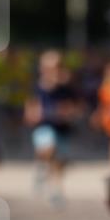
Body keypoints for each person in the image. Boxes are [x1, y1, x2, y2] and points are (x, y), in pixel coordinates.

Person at [24, 50, 81, 206]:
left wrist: (68, 113)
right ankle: (41, 167)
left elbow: (75, 106)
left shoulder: (66, 88)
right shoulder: (37, 86)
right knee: (48, 146)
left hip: (62, 127)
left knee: (59, 161)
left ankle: (56, 190)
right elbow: (31, 105)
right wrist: (31, 114)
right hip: (44, 125)